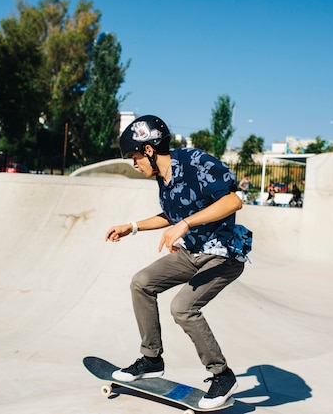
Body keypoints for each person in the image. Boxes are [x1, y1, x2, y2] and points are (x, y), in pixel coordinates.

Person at [104, 115, 252, 409]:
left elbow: (234, 201)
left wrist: (185, 224)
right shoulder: (163, 180)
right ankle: (151, 359)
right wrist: (131, 226)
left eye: (134, 158)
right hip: (191, 253)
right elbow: (169, 217)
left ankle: (222, 376)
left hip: (222, 254)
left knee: (183, 308)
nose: (135, 165)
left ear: (148, 150)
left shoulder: (195, 161)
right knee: (141, 283)